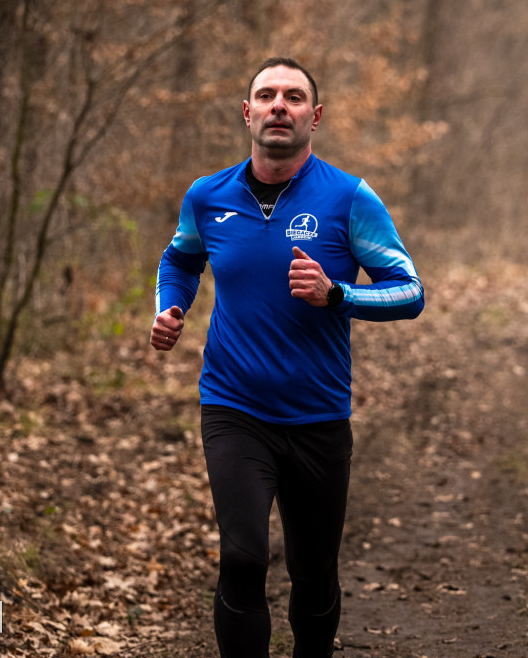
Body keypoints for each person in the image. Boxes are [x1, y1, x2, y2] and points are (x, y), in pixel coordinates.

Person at [150, 57, 424, 658]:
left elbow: (410, 291)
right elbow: (179, 260)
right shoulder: (207, 196)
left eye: (294, 97)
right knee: (242, 560)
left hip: (317, 418)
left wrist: (339, 295)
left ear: (314, 116)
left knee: (314, 576)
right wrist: (172, 306)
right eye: (267, 95)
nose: (280, 105)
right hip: (234, 408)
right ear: (247, 112)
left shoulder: (349, 198)